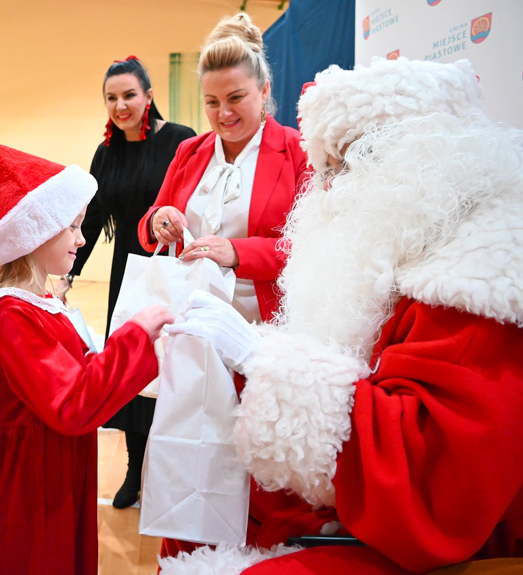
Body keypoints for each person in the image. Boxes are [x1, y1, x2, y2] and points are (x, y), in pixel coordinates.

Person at [160, 57, 523, 574]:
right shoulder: (403, 241)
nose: (327, 188)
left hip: (429, 539)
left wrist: (262, 356)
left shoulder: (474, 277)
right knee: (191, 515)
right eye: (324, 168)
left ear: (418, 158)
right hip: (351, 496)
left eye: (343, 166)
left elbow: (431, 481)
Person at [136, 12, 322, 561]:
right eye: (212, 102)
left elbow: (314, 250)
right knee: (194, 453)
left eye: (236, 98)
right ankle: (192, 558)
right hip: (193, 338)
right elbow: (151, 224)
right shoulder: (190, 152)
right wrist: (161, 221)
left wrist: (239, 251)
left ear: (266, 91)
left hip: (263, 336)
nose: (222, 114)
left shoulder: (298, 153)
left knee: (257, 469)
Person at [0, 141, 174, 574]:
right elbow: (70, 402)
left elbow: (79, 377)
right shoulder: (11, 312)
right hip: (31, 479)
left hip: (53, 464)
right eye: (72, 227)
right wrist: (135, 337)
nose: (82, 239)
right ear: (35, 232)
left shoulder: (40, 301)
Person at [58, 55, 195, 509]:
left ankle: (169, 468)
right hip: (128, 273)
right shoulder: (106, 152)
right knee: (131, 372)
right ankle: (136, 469)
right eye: (112, 98)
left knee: (173, 370)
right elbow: (94, 220)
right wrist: (68, 273)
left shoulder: (180, 140)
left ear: (149, 96)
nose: (121, 105)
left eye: (129, 95)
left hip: (173, 269)